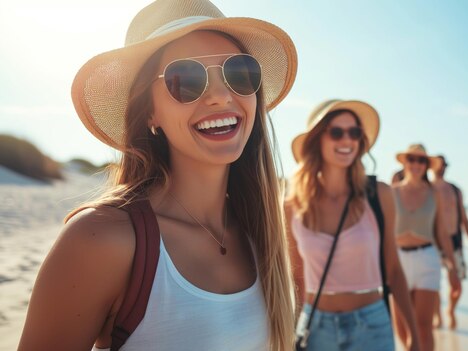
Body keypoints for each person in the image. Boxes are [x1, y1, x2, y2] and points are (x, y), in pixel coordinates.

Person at [18, 0, 298, 349]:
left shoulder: (262, 234)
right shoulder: (101, 240)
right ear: (150, 112)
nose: (220, 96)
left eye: (239, 73)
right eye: (186, 79)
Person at [285, 100, 419, 351]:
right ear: (317, 140)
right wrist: (290, 331)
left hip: (371, 324)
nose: (347, 140)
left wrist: (414, 335)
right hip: (316, 329)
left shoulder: (379, 195)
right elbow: (297, 279)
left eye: (354, 133)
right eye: (336, 132)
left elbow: (394, 270)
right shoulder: (292, 206)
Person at [391, 144, 460, 351]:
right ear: (405, 162)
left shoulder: (434, 194)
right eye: (411, 159)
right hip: (398, 262)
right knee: (402, 327)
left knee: (423, 326)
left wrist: (453, 268)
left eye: (421, 160)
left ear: (427, 166)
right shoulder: (390, 192)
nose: (416, 164)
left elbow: (441, 233)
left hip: (427, 260)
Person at [430, 155, 468, 330]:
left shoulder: (455, 190)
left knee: (456, 284)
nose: (441, 168)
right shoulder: (426, 188)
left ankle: (450, 309)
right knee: (433, 285)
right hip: (433, 242)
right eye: (438, 165)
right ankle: (437, 316)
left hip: (455, 240)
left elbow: (464, 218)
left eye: (444, 165)